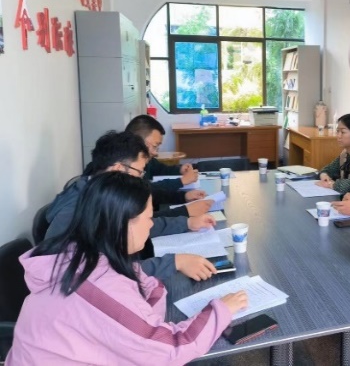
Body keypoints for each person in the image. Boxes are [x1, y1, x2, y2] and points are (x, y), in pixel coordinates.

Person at [7, 172, 248, 365]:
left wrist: (147, 300)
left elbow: (138, 286)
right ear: (123, 223)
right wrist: (222, 309)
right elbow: (173, 349)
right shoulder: (97, 287)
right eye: (149, 218)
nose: (151, 225)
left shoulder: (77, 257)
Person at [46, 131, 218, 281]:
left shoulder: (100, 193)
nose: (141, 179)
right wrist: (174, 263)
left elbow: (136, 225)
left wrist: (186, 223)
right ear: (118, 169)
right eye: (139, 172)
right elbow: (104, 276)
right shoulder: (78, 210)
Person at [125, 114, 198, 191]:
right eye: (155, 146)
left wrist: (180, 170)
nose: (156, 153)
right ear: (139, 142)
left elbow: (161, 169)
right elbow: (145, 190)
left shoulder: (148, 160)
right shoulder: (127, 166)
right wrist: (181, 181)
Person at [315, 113, 350, 195]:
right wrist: (324, 176)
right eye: (337, 131)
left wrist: (330, 184)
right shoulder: (345, 153)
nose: (338, 136)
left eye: (343, 132)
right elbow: (328, 169)